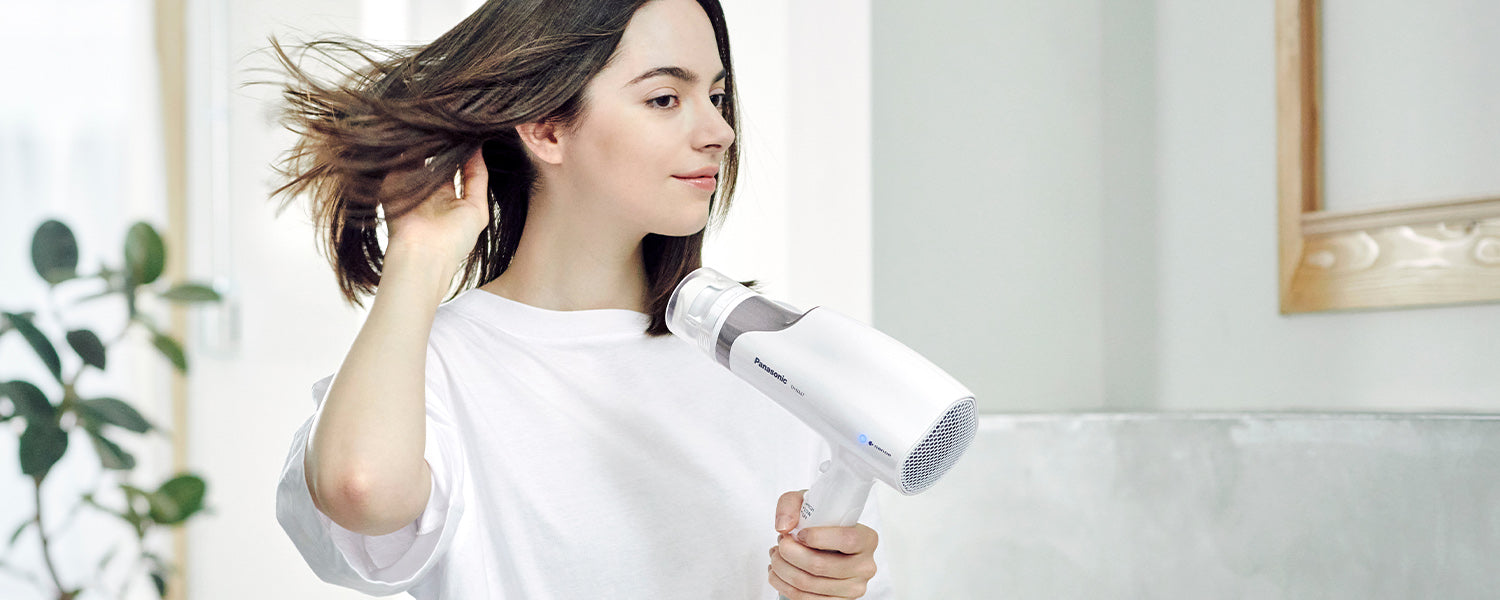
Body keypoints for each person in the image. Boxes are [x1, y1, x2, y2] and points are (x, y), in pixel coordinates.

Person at [267, 0, 892, 597]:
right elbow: (361, 491)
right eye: (665, 98)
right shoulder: (430, 372)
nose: (720, 131)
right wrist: (420, 255)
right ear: (545, 129)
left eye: (718, 96)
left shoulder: (768, 364)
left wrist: (823, 590)